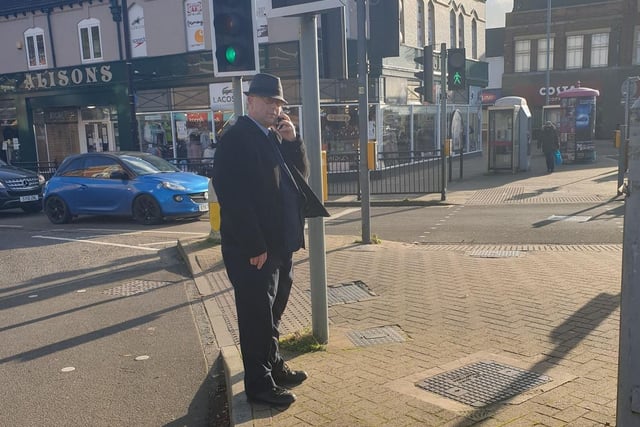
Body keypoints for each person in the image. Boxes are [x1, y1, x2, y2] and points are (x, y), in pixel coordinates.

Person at [211, 73, 327, 407]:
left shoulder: (272, 136)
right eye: (267, 101)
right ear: (250, 101)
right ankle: (259, 386)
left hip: (280, 245)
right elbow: (233, 196)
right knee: (255, 317)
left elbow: (298, 178)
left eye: (278, 102)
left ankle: (273, 367)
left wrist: (293, 142)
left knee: (272, 314)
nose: (274, 108)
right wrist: (254, 245)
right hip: (255, 251)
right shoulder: (237, 138)